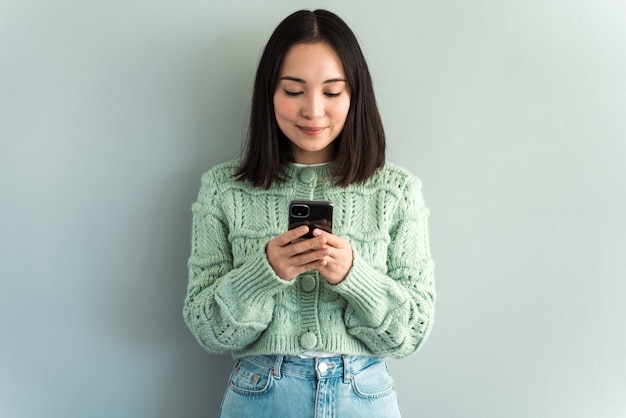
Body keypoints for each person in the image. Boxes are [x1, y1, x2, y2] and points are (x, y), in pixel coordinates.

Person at [183, 9, 435, 418]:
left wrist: (355, 276)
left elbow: (410, 334)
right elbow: (209, 329)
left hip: (363, 394)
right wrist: (265, 271)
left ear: (355, 96)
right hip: (261, 392)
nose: (313, 111)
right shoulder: (223, 189)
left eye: (332, 92)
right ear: (269, 93)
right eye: (294, 90)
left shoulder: (397, 191)